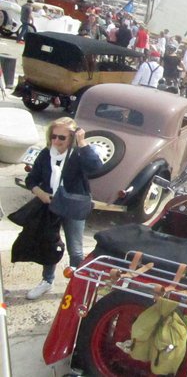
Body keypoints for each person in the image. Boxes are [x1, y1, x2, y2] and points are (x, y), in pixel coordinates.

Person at [23, 117, 102, 299]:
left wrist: (82, 143)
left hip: (73, 206)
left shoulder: (79, 154)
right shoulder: (45, 154)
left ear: (71, 138)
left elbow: (95, 167)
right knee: (49, 244)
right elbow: (31, 179)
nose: (56, 141)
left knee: (75, 249)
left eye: (62, 137)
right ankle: (47, 280)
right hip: (50, 204)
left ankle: (77, 284)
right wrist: (40, 193)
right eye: (53, 136)